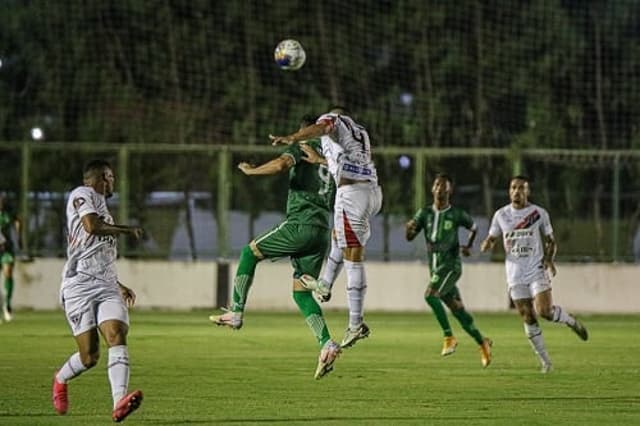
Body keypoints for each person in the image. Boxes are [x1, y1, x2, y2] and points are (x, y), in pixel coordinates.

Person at [210, 115, 341, 380]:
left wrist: (252, 171)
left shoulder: (304, 145)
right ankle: (326, 343)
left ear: (305, 129)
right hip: (321, 231)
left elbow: (282, 164)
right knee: (301, 293)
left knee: (250, 252)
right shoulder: (335, 155)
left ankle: (235, 312)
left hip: (300, 224)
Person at [270, 106, 383, 349]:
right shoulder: (360, 132)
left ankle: (356, 323)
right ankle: (325, 284)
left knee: (353, 257)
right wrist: (320, 159)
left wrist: (294, 137)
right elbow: (346, 163)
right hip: (371, 192)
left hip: (351, 194)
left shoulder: (333, 121)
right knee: (338, 237)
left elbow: (321, 127)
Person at [52, 160, 144, 422]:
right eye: (110, 176)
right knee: (89, 356)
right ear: (99, 178)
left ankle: (119, 403)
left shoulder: (105, 209)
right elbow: (92, 226)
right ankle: (60, 379)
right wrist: (127, 230)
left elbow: (99, 255)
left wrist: (118, 284)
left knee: (116, 334)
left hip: (105, 286)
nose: (113, 181)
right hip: (78, 285)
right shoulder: (82, 194)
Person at [480, 175, 588, 373]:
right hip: (514, 274)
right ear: (509, 190)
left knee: (544, 311)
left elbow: (551, 240)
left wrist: (549, 259)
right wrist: (487, 243)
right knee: (527, 316)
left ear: (527, 192)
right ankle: (546, 362)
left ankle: (571, 321)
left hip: (535, 269)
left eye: (521, 188)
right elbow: (492, 236)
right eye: (513, 187)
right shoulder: (501, 215)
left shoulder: (538, 213)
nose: (517, 191)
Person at [405, 173, 492, 367]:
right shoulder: (424, 213)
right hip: (435, 267)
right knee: (458, 310)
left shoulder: (456, 214)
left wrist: (468, 246)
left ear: (449, 190)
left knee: (430, 295)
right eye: (437, 184)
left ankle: (448, 337)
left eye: (444, 186)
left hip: (451, 265)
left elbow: (474, 228)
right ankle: (482, 342)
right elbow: (410, 236)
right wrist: (408, 229)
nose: (440, 188)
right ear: (432, 188)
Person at [0, 195, 22, 322]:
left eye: (2, 201)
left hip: (7, 249)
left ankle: (7, 305)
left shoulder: (9, 213)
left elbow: (19, 220)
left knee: (8, 273)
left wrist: (19, 236)